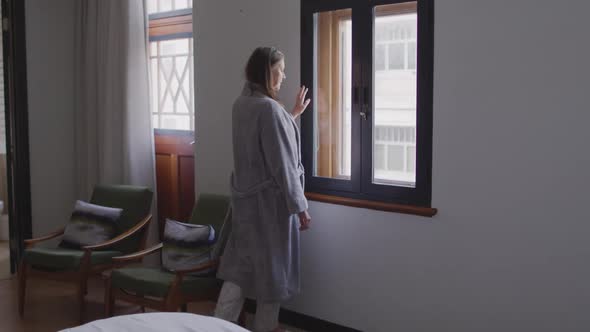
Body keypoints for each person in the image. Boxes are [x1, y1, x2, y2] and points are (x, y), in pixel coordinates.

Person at [214, 47, 312, 332]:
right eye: (280, 70)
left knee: (239, 272)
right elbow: (282, 164)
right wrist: (301, 208)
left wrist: (290, 115)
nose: (284, 76)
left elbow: (265, 141)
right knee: (272, 277)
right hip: (270, 209)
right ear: (268, 72)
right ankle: (265, 328)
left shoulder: (241, 105)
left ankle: (216, 326)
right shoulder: (269, 110)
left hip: (245, 207)